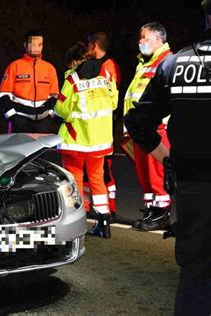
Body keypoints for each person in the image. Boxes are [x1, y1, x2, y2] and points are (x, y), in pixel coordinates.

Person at [124, 3, 211, 313]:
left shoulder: (175, 63)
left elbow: (137, 122)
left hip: (192, 188)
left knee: (195, 276)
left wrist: (168, 159)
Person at [55, 44, 118, 238]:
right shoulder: (106, 76)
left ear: (74, 62)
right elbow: (114, 103)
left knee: (74, 181)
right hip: (100, 141)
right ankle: (103, 221)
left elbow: (62, 109)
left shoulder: (72, 79)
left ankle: (77, 222)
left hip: (75, 141)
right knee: (97, 181)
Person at [123, 22, 173, 231]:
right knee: (145, 173)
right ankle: (152, 208)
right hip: (142, 127)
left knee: (157, 173)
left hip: (157, 127)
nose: (140, 42)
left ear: (157, 39)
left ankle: (162, 212)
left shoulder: (167, 61)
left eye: (144, 37)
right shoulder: (145, 62)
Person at [83, 32, 122, 220]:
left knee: (104, 171)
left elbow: (109, 98)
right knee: (96, 171)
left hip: (103, 128)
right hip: (98, 127)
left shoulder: (107, 67)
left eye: (88, 45)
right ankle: (94, 206)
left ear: (94, 46)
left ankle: (109, 208)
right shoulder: (105, 65)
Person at [0, 29, 59, 133]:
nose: (37, 48)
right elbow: (3, 95)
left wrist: (49, 115)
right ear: (25, 45)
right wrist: (12, 117)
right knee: (17, 149)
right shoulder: (14, 66)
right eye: (33, 44)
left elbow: (55, 96)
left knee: (41, 149)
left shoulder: (50, 68)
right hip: (20, 120)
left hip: (42, 122)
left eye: (40, 44)